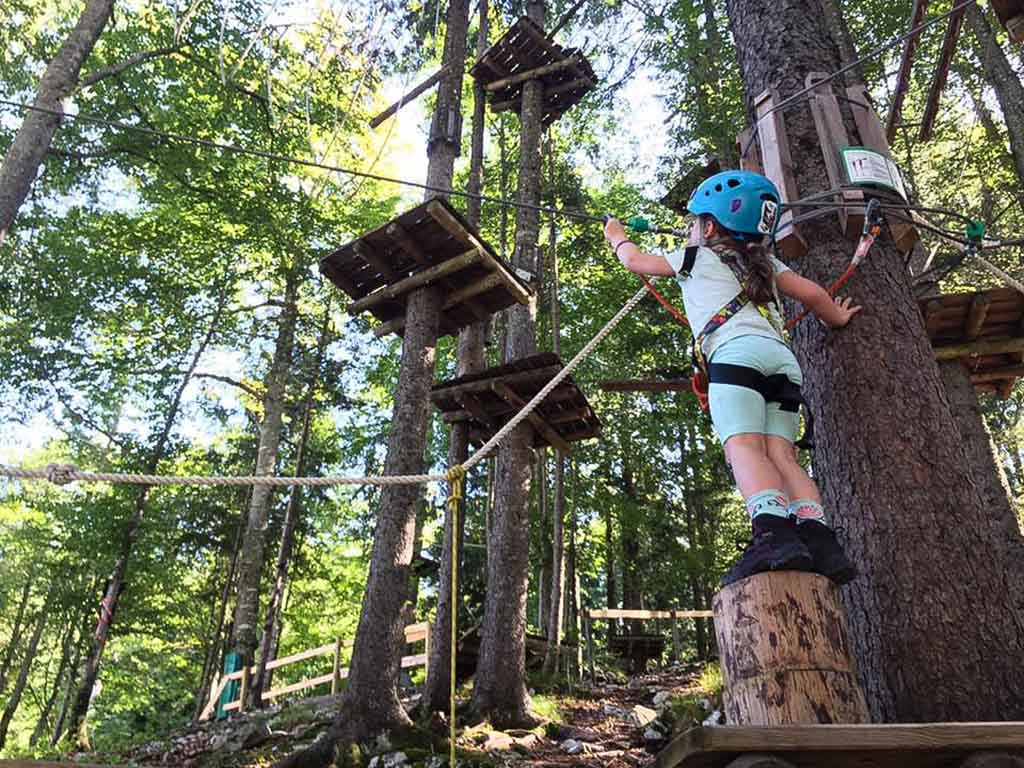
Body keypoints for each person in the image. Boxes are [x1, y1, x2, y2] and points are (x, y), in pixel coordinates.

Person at [603, 170, 861, 586]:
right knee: (782, 455)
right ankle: (819, 540)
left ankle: (773, 534)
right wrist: (838, 317)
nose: (690, 231)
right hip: (782, 363)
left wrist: (616, 235)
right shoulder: (768, 265)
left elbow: (634, 261)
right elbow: (814, 295)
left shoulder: (693, 257)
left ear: (708, 226)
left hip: (734, 359)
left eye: (693, 224)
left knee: (743, 447)